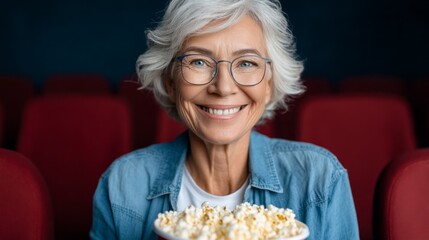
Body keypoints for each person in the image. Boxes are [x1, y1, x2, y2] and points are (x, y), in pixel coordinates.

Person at [90, 0, 359, 239]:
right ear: (170, 81)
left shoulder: (320, 180)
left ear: (269, 83)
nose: (223, 87)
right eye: (198, 62)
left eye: (246, 63)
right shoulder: (123, 185)